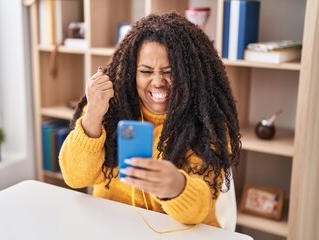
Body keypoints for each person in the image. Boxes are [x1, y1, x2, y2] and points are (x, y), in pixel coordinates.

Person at [59, 12, 241, 228]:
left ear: (190, 74)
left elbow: (198, 211)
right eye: (145, 71)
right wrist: (93, 116)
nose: (157, 82)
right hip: (114, 228)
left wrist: (177, 187)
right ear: (131, 72)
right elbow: (75, 177)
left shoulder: (206, 124)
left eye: (170, 72)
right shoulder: (108, 107)